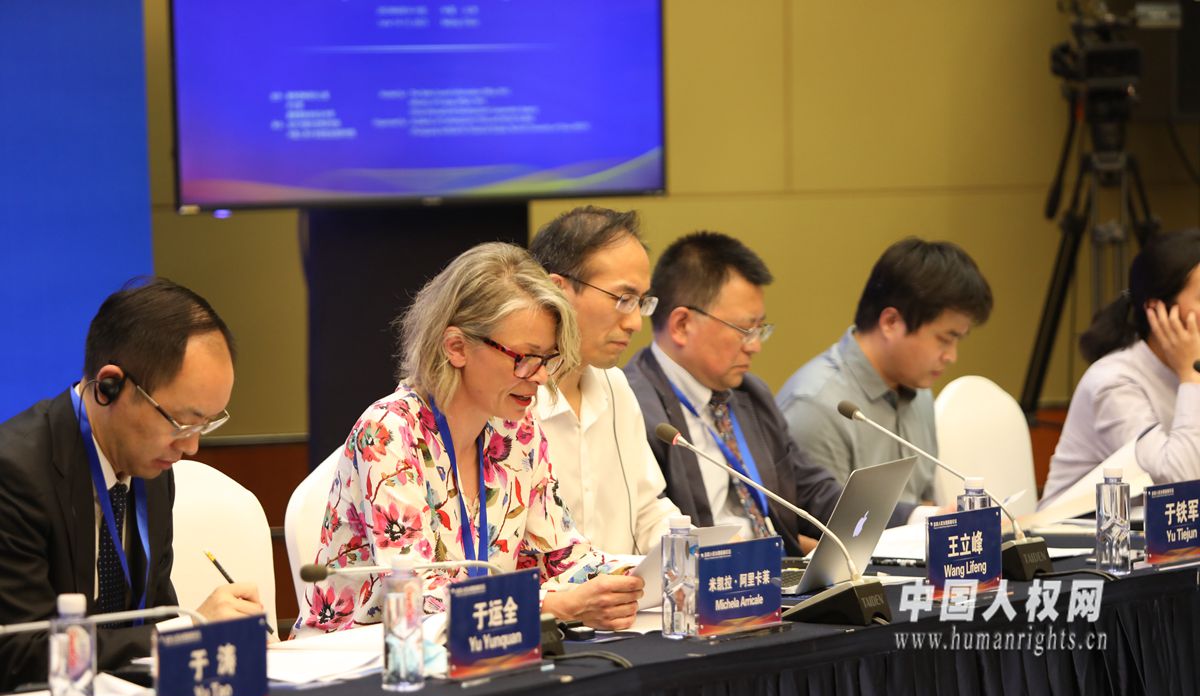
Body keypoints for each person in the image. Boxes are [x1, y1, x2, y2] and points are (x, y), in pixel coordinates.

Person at [295, 243, 644, 636]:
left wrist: (647, 572)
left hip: (480, 647)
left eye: (547, 358)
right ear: (457, 347)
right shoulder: (388, 431)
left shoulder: (518, 432)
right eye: (525, 358)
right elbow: (416, 595)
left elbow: (565, 557)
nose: (541, 376)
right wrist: (553, 606)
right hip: (361, 657)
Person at [0, 279, 264, 691]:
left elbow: (153, 615)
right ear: (110, 387)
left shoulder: (153, 474)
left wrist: (212, 637)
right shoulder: (15, 472)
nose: (191, 446)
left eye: (206, 424)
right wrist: (184, 632)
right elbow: (22, 653)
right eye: (181, 422)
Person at [625, 231, 919, 557]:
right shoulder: (633, 407)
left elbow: (813, 493)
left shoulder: (751, 394)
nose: (755, 346)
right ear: (682, 325)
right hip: (709, 580)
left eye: (760, 329)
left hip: (784, 578)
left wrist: (917, 519)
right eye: (744, 330)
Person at [776, 237, 993, 506]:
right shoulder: (816, 407)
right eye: (944, 339)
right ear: (890, 322)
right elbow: (820, 526)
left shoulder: (919, 393)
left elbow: (923, 502)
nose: (951, 356)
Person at [529, 206, 679, 555]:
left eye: (641, 302)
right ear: (558, 291)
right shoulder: (511, 400)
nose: (635, 323)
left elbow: (647, 512)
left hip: (626, 590)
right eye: (623, 299)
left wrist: (705, 553)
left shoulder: (616, 386)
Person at [1040, 229, 1200, 507]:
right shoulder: (1113, 382)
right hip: (1074, 531)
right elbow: (1178, 485)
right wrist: (1191, 375)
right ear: (1158, 310)